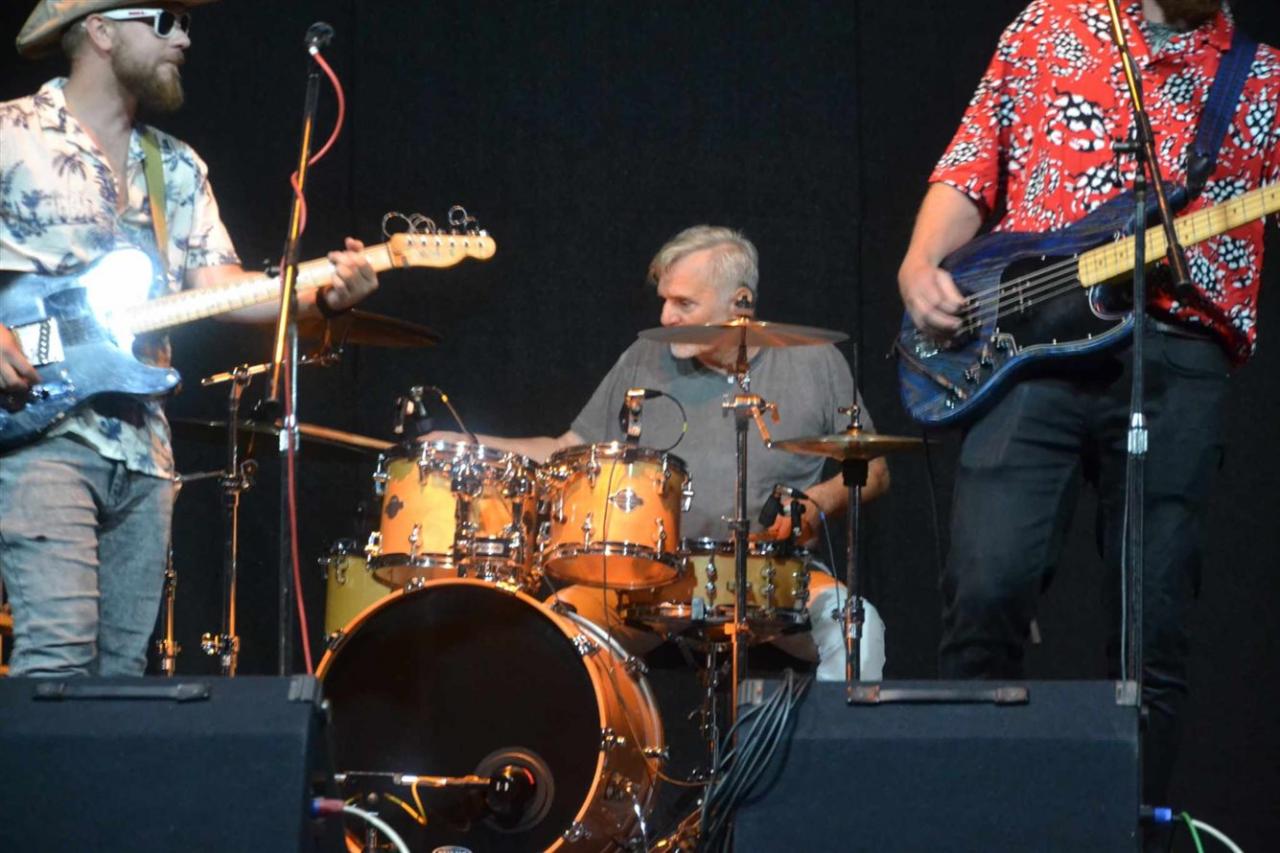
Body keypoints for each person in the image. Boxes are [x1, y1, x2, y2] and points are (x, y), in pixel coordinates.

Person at [897, 0, 1279, 819]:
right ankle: (973, 822)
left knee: (1152, 626)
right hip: (1029, 345)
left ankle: (1130, 828)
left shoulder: (1260, 77)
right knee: (986, 587)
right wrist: (920, 262)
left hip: (1177, 347)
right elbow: (972, 160)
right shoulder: (1051, 24)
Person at [0, 0, 379, 677]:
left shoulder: (175, 166)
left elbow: (222, 286)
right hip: (41, 435)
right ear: (100, 30)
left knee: (119, 676)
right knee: (57, 657)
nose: (183, 39)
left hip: (146, 452)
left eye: (187, 24)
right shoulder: (12, 133)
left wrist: (324, 290)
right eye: (165, 21)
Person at [429, 225, 890, 679]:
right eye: (665, 300)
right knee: (553, 631)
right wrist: (470, 444)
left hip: (775, 577)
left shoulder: (815, 360)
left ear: (740, 303)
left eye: (684, 303)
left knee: (860, 632)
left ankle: (826, 735)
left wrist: (817, 503)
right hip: (650, 578)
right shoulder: (645, 357)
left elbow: (874, 469)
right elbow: (568, 448)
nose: (667, 317)